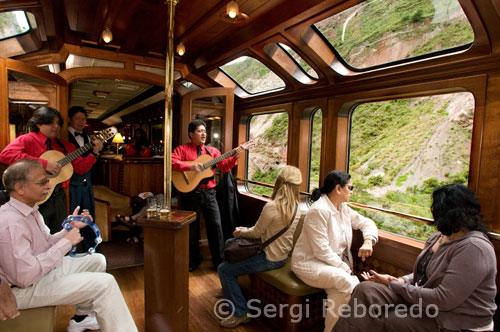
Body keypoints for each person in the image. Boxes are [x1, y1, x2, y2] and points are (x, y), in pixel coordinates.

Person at [334, 183, 497, 332]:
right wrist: (401, 281)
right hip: (426, 303)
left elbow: (444, 299)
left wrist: (394, 285)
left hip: (455, 318)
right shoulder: (440, 237)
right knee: (366, 291)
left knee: (390, 320)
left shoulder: (473, 248)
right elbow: (424, 274)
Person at [0, 159, 137, 332]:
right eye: (42, 182)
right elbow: (24, 277)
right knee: (105, 283)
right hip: (21, 289)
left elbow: (46, 243)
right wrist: (66, 243)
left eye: (47, 180)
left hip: (37, 276)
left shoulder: (31, 210)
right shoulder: (10, 223)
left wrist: (69, 229)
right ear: (20, 188)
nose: (49, 186)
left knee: (97, 260)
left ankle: (81, 318)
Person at [291, 170, 378, 332]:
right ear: (338, 189)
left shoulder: (343, 208)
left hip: (332, 266)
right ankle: (369, 318)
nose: (351, 192)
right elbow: (321, 251)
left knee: (339, 296)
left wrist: (368, 240)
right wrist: (346, 270)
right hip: (309, 263)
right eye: (350, 188)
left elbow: (366, 222)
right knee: (347, 282)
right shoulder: (318, 210)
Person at [217, 165, 303, 328]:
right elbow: (266, 233)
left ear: (278, 183)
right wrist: (244, 232)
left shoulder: (272, 206)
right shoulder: (297, 207)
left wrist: (240, 232)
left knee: (224, 270)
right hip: (281, 255)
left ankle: (240, 313)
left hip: (268, 257)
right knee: (229, 244)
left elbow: (256, 233)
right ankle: (229, 290)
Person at [0, 106, 103, 233]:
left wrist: (94, 153)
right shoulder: (27, 139)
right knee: (35, 235)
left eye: (58, 123)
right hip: (34, 197)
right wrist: (44, 164)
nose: (56, 126)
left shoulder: (65, 146)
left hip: (58, 197)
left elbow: (80, 169)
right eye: (50, 123)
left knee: (57, 233)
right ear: (38, 123)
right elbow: (6, 155)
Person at [172, 119, 243, 271]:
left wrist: (235, 157)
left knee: (216, 227)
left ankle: (219, 261)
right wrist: (190, 166)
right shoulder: (182, 149)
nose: (204, 134)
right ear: (191, 134)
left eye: (205, 131)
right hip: (190, 194)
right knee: (191, 229)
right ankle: (193, 260)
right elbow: (171, 162)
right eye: (200, 131)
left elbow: (224, 167)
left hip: (210, 194)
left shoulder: (213, 152)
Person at [67, 106, 98, 252]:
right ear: (69, 119)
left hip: (86, 182)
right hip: (71, 183)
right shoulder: (63, 137)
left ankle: (90, 249)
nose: (80, 122)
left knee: (88, 217)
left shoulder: (87, 137)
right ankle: (68, 251)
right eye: (77, 119)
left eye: (83, 119)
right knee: (71, 217)